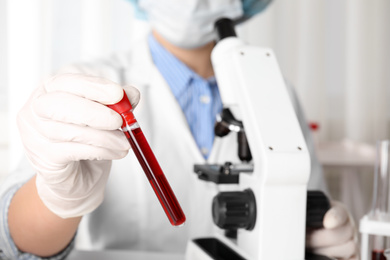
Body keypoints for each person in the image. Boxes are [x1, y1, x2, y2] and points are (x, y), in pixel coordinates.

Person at [0, 0, 358, 259]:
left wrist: (315, 235)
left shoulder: (275, 91)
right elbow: (16, 242)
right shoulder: (86, 84)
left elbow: (305, 204)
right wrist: (60, 198)